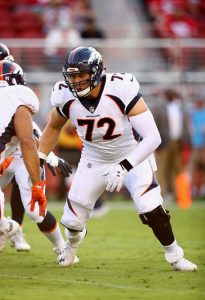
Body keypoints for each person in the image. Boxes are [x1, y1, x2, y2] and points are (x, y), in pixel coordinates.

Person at [38, 46, 197, 271]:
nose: (76, 81)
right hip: (93, 157)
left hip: (131, 154)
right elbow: (53, 126)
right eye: (72, 76)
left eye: (81, 75)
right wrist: (41, 155)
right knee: (73, 220)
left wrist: (124, 166)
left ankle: (175, 256)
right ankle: (71, 250)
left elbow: (153, 137)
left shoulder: (120, 88)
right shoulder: (65, 95)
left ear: (96, 72)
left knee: (150, 207)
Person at [0, 59, 45, 251]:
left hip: (14, 156)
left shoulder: (16, 102)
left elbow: (29, 138)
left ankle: (11, 227)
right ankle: (6, 226)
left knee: (20, 181)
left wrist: (49, 158)